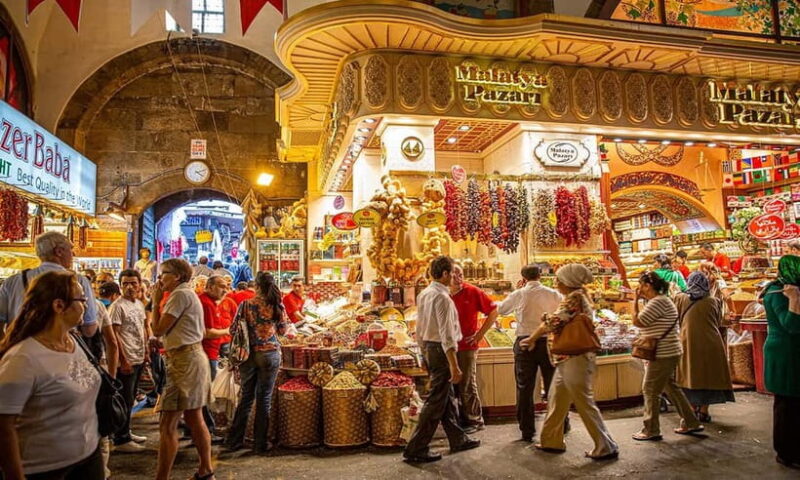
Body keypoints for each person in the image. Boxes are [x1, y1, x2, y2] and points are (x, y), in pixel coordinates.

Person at [0, 271, 104, 479]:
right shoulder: (24, 358)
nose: (86, 304)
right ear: (59, 306)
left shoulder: (74, 342)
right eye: (82, 299)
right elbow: (3, 426)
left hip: (88, 457)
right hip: (46, 468)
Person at [521, 264, 618, 460]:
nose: (556, 283)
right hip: (568, 359)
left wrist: (533, 336)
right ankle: (551, 440)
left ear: (568, 282)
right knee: (557, 399)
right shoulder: (577, 297)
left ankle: (605, 445)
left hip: (576, 359)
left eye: (559, 279)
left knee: (584, 402)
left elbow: (554, 322)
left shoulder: (575, 298)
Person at [403, 256, 479, 464]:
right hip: (441, 350)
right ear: (444, 274)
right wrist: (454, 366)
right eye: (452, 272)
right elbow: (447, 335)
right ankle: (416, 447)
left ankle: (458, 438)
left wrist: (422, 352)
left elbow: (419, 328)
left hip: (429, 347)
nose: (454, 276)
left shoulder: (426, 294)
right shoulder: (442, 298)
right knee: (436, 399)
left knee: (446, 398)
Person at [150, 259, 214, 480]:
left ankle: (162, 478)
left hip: (185, 362)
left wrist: (154, 301)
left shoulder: (179, 295)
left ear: (176, 276)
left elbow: (157, 329)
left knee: (168, 424)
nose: (160, 279)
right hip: (191, 357)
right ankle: (205, 470)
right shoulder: (186, 294)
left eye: (163, 274)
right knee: (194, 417)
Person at [632, 271, 703, 441]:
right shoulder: (662, 301)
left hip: (662, 352)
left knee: (650, 389)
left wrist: (634, 301)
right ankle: (691, 421)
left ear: (647, 286)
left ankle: (651, 429)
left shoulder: (658, 302)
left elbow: (638, 321)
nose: (639, 288)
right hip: (669, 350)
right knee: (670, 387)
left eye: (641, 285)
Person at [497, 264, 563, 442]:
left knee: (525, 388)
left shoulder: (519, 294)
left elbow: (502, 309)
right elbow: (562, 311)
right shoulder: (553, 294)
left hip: (525, 342)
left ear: (523, 277)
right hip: (547, 342)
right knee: (552, 385)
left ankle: (527, 430)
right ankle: (561, 424)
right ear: (540, 275)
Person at [225, 273, 287, 453]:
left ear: (256, 287)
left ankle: (234, 441)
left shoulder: (246, 304)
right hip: (270, 354)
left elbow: (233, 329)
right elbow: (283, 331)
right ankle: (260, 443)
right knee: (264, 398)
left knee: (246, 397)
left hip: (248, 354)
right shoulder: (277, 305)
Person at [0, 231, 97, 338]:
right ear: (59, 252)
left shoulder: (12, 281)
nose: (73, 254)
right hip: (61, 348)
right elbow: (89, 330)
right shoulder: (78, 281)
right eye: (71, 249)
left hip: (19, 347)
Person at [675, 271, 735, 423]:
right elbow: (718, 321)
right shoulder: (714, 301)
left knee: (689, 376)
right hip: (712, 343)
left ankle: (692, 409)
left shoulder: (680, 298)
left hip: (688, 342)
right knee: (708, 377)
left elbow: (675, 317)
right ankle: (704, 411)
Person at [760, 255, 800, 468]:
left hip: (793, 353)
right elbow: (791, 325)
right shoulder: (777, 293)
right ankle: (786, 453)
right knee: (787, 405)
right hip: (784, 353)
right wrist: (794, 299)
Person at [449, 263, 498, 433]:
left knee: (467, 384)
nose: (458, 278)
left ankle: (475, 420)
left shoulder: (473, 291)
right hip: (447, 347)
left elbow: (493, 311)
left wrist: (479, 335)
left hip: (466, 346)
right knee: (451, 385)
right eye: (454, 274)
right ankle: (457, 420)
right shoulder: (442, 294)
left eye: (460, 274)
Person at [109, 269, 150, 453]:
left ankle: (126, 431)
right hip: (127, 360)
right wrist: (123, 360)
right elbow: (114, 335)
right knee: (124, 399)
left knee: (131, 397)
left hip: (139, 357)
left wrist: (146, 350)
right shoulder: (118, 306)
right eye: (125, 283)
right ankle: (120, 439)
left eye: (133, 283)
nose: (130, 287)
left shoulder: (139, 305)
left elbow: (142, 328)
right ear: (120, 285)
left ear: (139, 284)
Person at [198, 275, 229, 440]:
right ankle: (206, 430)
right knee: (205, 392)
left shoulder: (210, 303)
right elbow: (207, 332)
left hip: (211, 352)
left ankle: (196, 428)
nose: (224, 290)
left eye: (226, 287)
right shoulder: (206, 304)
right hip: (206, 353)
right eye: (220, 286)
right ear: (209, 287)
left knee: (204, 392)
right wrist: (228, 330)